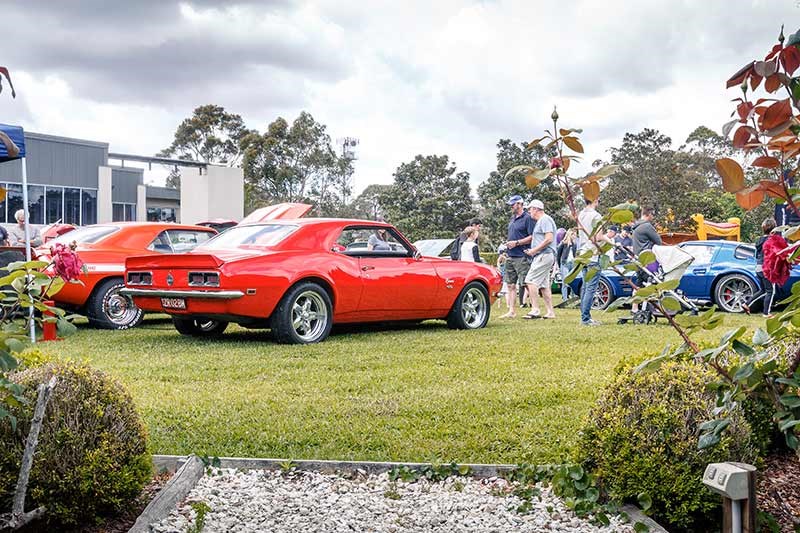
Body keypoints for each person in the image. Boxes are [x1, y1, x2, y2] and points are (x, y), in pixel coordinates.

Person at [500, 195, 535, 318]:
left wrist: (517, 243)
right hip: (510, 256)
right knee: (510, 284)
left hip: (522, 256)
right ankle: (511, 311)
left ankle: (534, 309)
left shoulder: (528, 218)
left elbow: (532, 237)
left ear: (520, 204)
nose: (511, 206)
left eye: (513, 204)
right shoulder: (512, 219)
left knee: (526, 283)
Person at [523, 200, 557, 319]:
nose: (529, 212)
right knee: (544, 285)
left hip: (544, 255)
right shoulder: (541, 221)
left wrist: (534, 250)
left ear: (536, 209)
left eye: (530, 209)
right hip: (544, 255)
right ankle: (550, 312)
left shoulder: (545, 219)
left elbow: (549, 239)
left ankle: (535, 309)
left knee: (530, 280)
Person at [743, 218, 779, 317]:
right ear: (774, 229)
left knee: (763, 290)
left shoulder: (759, 240)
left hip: (758, 266)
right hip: (767, 268)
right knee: (770, 291)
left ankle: (746, 304)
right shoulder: (771, 240)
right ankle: (766, 313)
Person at [577, 197, 604, 326]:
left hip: (583, 253)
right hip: (593, 253)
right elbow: (598, 237)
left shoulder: (581, 215)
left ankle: (584, 316)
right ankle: (585, 318)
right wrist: (609, 240)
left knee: (585, 286)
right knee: (591, 288)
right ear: (595, 199)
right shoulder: (596, 216)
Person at [631, 207, 662, 312]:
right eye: (652, 215)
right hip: (648, 259)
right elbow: (659, 241)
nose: (653, 218)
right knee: (653, 282)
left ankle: (634, 308)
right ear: (649, 214)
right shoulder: (647, 226)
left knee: (639, 284)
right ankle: (652, 307)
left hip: (638, 259)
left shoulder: (635, 227)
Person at [556, 228, 577, 302]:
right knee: (565, 282)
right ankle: (565, 299)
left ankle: (573, 297)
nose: (575, 236)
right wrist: (559, 265)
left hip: (572, 263)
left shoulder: (574, 244)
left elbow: (575, 255)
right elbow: (558, 255)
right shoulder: (563, 243)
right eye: (574, 234)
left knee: (573, 281)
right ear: (570, 235)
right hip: (564, 264)